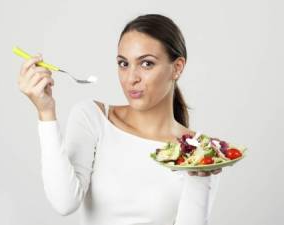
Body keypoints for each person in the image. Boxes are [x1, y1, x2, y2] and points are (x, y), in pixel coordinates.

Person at [17, 14, 222, 225]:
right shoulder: (93, 118)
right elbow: (64, 202)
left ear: (177, 68)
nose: (131, 78)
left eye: (146, 64)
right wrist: (46, 113)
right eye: (123, 64)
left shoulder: (199, 150)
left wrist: (201, 177)